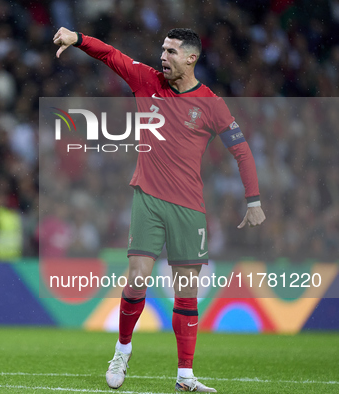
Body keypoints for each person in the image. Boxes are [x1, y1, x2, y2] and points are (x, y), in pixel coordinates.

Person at [53, 27, 266, 392]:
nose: (162, 57)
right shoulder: (146, 82)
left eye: (170, 52)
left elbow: (241, 151)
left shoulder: (211, 104)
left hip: (188, 207)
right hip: (148, 198)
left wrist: (254, 200)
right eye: (162, 50)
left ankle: (185, 375)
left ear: (190, 58)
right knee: (137, 277)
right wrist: (79, 38)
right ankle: (121, 351)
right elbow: (111, 55)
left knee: (186, 292)